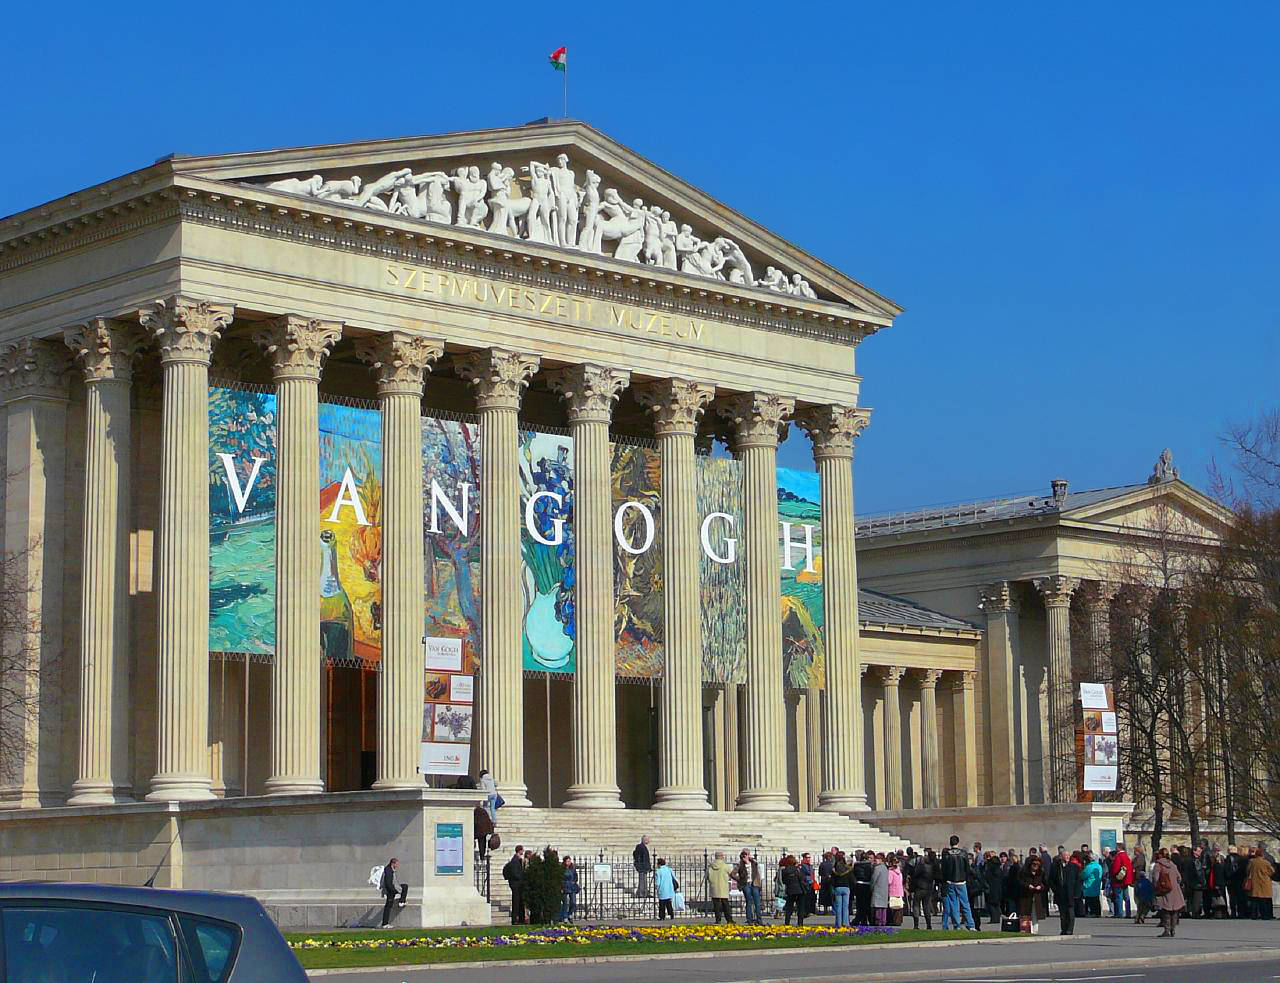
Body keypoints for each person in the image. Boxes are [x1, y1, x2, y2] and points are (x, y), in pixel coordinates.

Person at [941, 835, 975, 930]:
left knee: (954, 904)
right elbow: (967, 868)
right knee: (965, 904)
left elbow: (944, 869)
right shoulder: (963, 853)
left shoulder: (946, 854)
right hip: (961, 881)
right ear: (958, 843)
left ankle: (957, 925)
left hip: (950, 881)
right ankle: (970, 924)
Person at [1151, 847, 1186, 937]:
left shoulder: (1158, 865)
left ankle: (1167, 930)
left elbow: (1155, 878)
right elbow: (1179, 878)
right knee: (1174, 911)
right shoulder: (1172, 864)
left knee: (1166, 910)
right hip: (1175, 890)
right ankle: (1173, 929)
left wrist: (1157, 887)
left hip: (1165, 889)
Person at [733, 850, 763, 926]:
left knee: (757, 902)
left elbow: (758, 874)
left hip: (754, 884)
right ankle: (749, 920)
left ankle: (759, 920)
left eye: (747, 854)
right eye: (744, 855)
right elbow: (732, 874)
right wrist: (740, 880)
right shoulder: (740, 865)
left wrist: (759, 885)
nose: (745, 856)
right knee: (749, 901)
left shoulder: (754, 863)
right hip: (746, 884)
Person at [1019, 854, 1048, 932]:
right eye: (1034, 864)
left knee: (1035, 915)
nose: (1036, 866)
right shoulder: (1024, 872)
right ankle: (1026, 930)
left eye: (1038, 864)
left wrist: (1040, 886)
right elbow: (1020, 883)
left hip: (1037, 896)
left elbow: (1045, 884)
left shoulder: (1041, 873)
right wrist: (1028, 886)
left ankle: (1035, 931)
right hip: (1026, 896)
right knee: (1026, 914)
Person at [378, 857, 407, 928]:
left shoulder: (390, 870)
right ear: (393, 863)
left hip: (392, 889)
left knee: (405, 887)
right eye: (396, 864)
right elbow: (388, 883)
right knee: (388, 906)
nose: (397, 866)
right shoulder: (388, 871)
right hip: (390, 891)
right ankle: (385, 924)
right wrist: (394, 891)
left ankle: (402, 901)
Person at [1058, 851, 1083, 935]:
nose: (1067, 857)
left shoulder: (1074, 867)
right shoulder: (1057, 866)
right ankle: (1064, 929)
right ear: (1061, 856)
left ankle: (1070, 929)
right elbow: (1052, 879)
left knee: (1070, 912)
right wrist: (1055, 890)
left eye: (1068, 856)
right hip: (1060, 893)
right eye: (1065, 856)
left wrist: (1077, 893)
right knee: (1062, 913)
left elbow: (1079, 880)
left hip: (1071, 893)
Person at [911, 848, 936, 930]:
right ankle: (929, 925)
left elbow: (915, 875)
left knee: (916, 905)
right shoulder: (933, 866)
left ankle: (916, 924)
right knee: (926, 906)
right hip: (928, 888)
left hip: (920, 887)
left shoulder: (922, 865)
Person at [1246, 848, 1275, 919]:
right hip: (1265, 883)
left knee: (1255, 900)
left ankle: (1254, 915)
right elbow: (1272, 871)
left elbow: (1248, 870)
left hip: (1255, 882)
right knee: (1265, 900)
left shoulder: (1252, 862)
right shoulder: (1266, 862)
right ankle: (1266, 915)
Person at [708, 851, 734, 923]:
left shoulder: (710, 866)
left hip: (714, 887)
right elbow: (731, 874)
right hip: (723, 887)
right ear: (722, 857)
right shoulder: (725, 866)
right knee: (725, 904)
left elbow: (707, 876)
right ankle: (729, 920)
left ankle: (718, 920)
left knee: (716, 905)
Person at [781, 855, 807, 926]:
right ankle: (800, 923)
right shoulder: (798, 869)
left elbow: (784, 881)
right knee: (800, 908)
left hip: (790, 890)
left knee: (789, 908)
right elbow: (802, 878)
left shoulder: (785, 870)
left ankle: (787, 923)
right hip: (799, 890)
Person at [1110, 844, 1134, 919]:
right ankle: (1128, 913)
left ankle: (1120, 913)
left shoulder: (1119, 856)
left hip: (1119, 880)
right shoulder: (1126, 856)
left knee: (1119, 897)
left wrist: (1113, 875)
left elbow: (1115, 868)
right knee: (1126, 897)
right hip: (1126, 879)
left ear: (1119, 848)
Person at [832, 852, 854, 928]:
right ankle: (845, 922)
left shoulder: (835, 869)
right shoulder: (847, 868)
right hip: (846, 887)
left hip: (838, 887)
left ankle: (838, 923)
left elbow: (832, 880)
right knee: (845, 906)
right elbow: (852, 880)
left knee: (838, 907)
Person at [853, 849, 874, 926]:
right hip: (867, 885)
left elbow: (854, 875)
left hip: (859, 885)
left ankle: (862, 920)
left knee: (860, 904)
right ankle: (869, 919)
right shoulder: (870, 866)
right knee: (867, 904)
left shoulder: (856, 865)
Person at [870, 852, 889, 926]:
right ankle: (883, 921)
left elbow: (874, 879)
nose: (876, 861)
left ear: (881, 860)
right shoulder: (885, 868)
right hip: (884, 889)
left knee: (878, 906)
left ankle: (878, 921)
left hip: (878, 889)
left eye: (877, 859)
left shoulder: (877, 868)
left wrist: (871, 887)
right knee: (883, 907)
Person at [886, 854, 906, 926]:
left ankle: (894, 921)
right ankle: (899, 921)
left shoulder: (890, 872)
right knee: (899, 908)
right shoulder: (899, 872)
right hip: (899, 891)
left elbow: (889, 881)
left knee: (893, 907)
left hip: (893, 891)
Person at [1081, 853, 1103, 917]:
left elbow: (1084, 875)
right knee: (1096, 899)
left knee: (1089, 900)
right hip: (1097, 884)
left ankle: (1091, 912)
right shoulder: (1099, 866)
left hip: (1089, 884)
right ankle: (1098, 913)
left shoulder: (1089, 866)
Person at [560, 856, 580, 922]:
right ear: (564, 862)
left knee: (573, 902)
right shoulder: (562, 868)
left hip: (572, 886)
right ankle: (565, 916)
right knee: (565, 902)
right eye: (567, 861)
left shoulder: (573, 868)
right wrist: (561, 887)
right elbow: (560, 878)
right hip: (564, 886)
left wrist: (574, 881)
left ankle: (570, 914)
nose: (569, 862)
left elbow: (576, 876)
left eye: (569, 861)